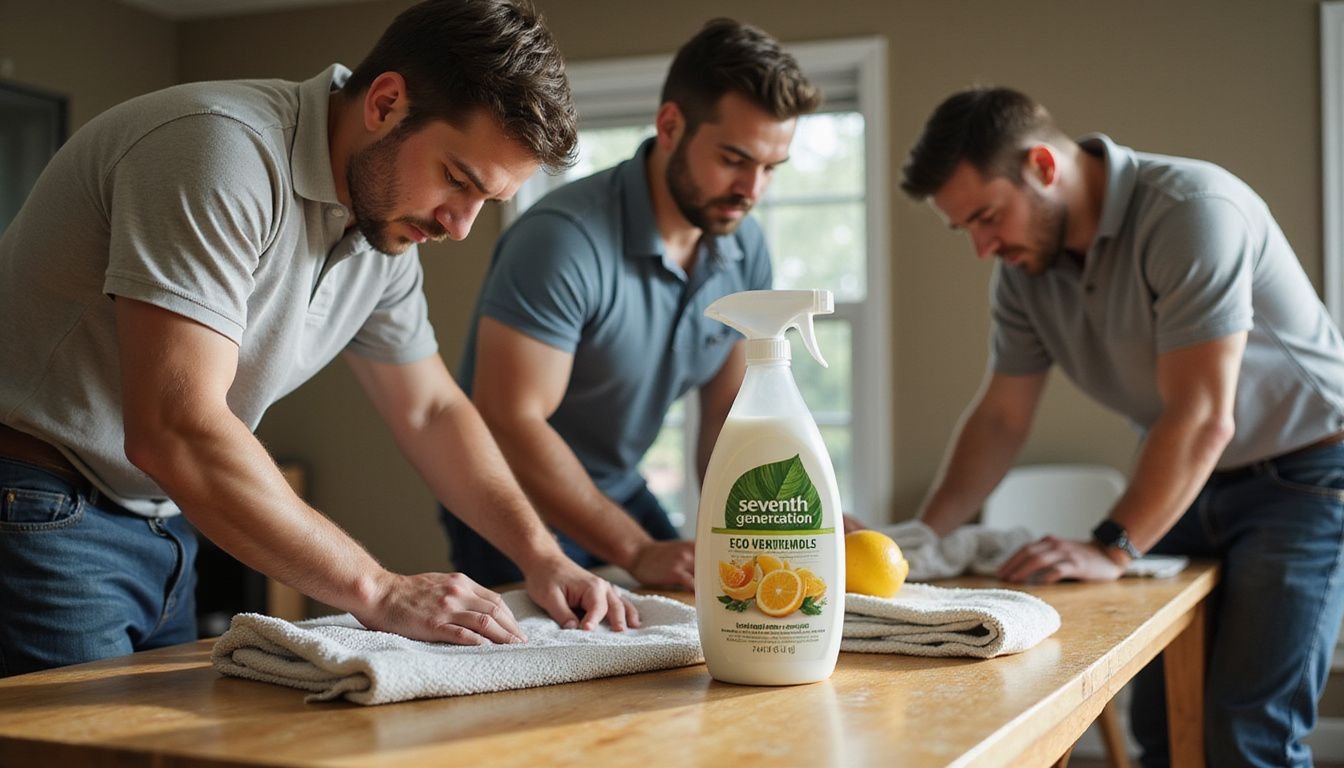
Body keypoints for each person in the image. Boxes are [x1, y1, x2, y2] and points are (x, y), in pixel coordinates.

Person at [0, 0, 638, 679]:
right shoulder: (217, 151)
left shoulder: (381, 232)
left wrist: (543, 557)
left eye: (488, 202)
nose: (460, 227)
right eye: (459, 180)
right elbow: (175, 429)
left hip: (164, 521)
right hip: (39, 503)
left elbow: (431, 410)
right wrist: (379, 590)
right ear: (386, 102)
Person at [900, 85, 1344, 767]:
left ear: (1043, 167)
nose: (982, 248)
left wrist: (1111, 546)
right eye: (965, 230)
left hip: (1307, 475)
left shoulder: (1192, 211)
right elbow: (998, 420)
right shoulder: (1025, 271)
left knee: (1246, 735)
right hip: (1189, 477)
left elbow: (1201, 416)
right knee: (1166, 731)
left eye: (986, 217)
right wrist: (922, 540)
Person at [439, 18, 821, 591]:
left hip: (616, 486)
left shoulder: (745, 248)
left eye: (770, 168)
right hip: (513, 499)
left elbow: (725, 419)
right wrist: (638, 551)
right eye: (734, 159)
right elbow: (509, 420)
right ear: (671, 126)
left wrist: (766, 532)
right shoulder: (564, 239)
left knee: (698, 604)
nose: (753, 190)